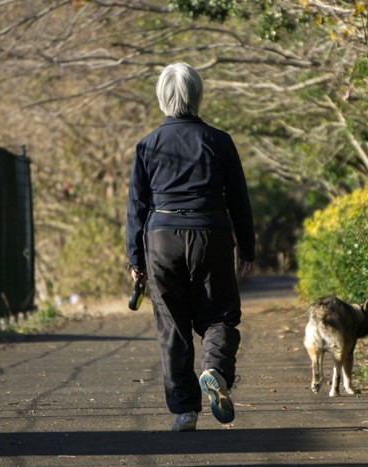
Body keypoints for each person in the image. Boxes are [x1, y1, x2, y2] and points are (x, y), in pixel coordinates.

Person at [125, 62, 255, 432]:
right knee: (221, 316)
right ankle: (214, 368)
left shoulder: (147, 145)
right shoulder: (219, 141)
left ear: (163, 97)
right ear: (196, 94)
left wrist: (135, 259)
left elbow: (136, 206)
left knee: (172, 325)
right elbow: (239, 200)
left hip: (161, 235)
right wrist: (246, 248)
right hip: (210, 232)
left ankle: (184, 411)